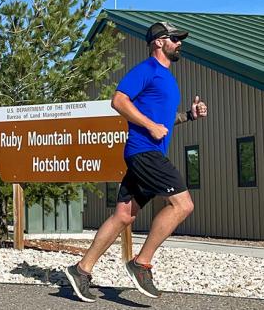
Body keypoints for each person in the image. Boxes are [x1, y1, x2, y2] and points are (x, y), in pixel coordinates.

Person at [65, 22, 208, 302]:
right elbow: (118, 100)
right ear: (158, 42)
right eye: (174, 39)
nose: (179, 43)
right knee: (183, 204)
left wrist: (189, 116)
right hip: (144, 152)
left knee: (124, 215)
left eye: (180, 40)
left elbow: (162, 121)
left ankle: (81, 270)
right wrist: (149, 126)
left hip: (148, 153)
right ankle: (141, 263)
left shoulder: (167, 78)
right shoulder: (147, 70)